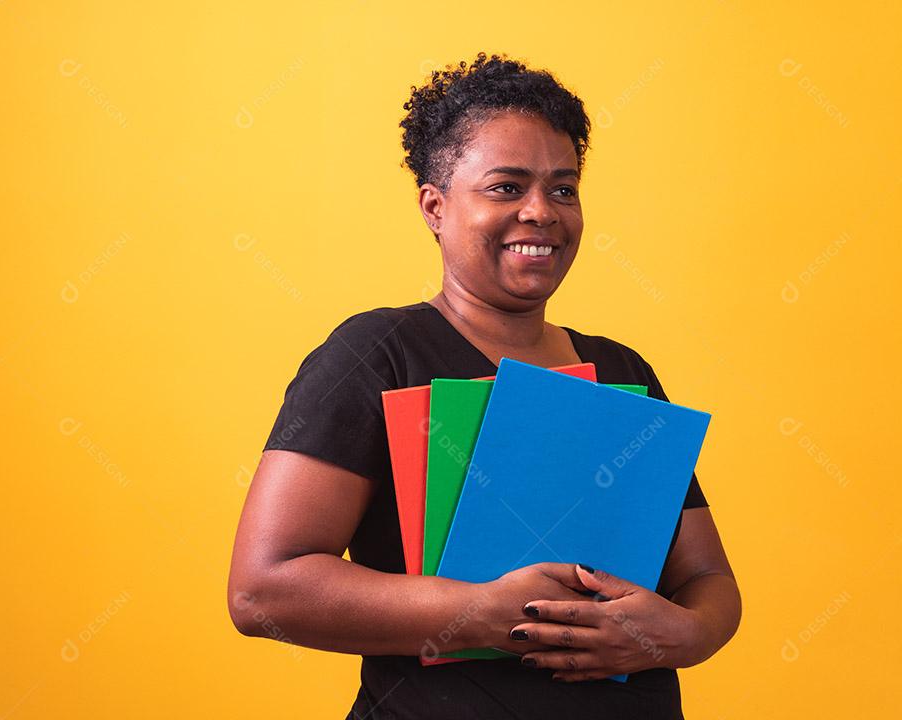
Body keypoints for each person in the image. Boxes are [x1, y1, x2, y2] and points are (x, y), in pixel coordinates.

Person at [228, 51, 741, 719]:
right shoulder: (376, 356)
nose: (542, 212)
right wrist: (478, 611)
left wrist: (685, 634)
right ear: (435, 207)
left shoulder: (623, 371)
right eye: (506, 187)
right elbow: (263, 591)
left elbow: (707, 578)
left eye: (564, 189)